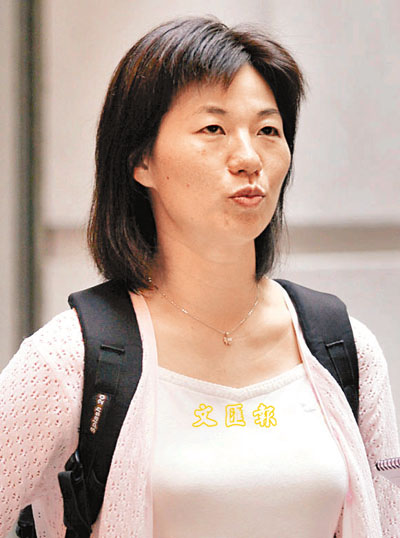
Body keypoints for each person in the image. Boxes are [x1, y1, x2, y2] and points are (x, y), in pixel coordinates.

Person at [0, 16, 399, 538]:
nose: (249, 158)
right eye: (213, 129)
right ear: (141, 159)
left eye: (268, 131)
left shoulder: (344, 348)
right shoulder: (69, 360)